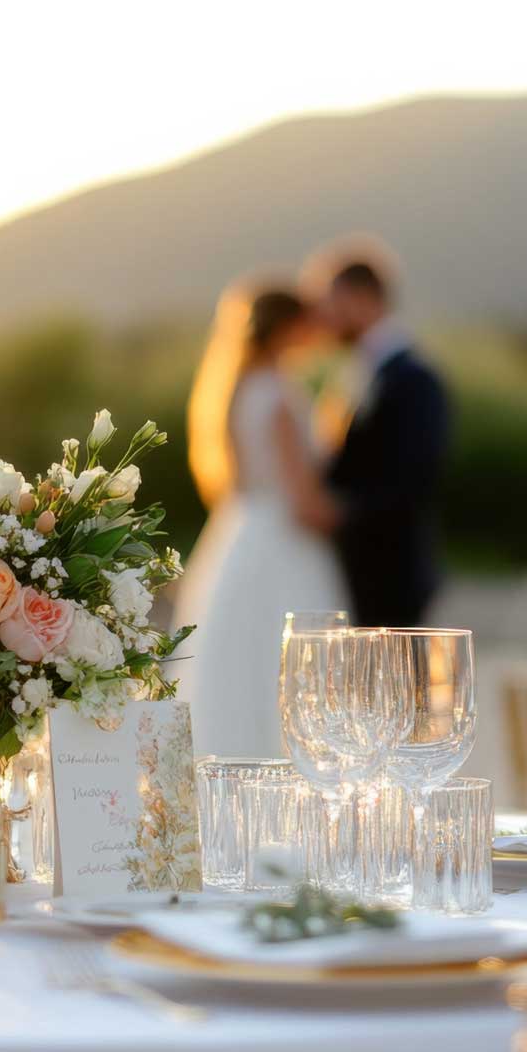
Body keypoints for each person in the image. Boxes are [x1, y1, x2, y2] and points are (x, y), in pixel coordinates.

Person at [173, 282, 347, 758]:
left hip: (238, 535)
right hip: (283, 544)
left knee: (235, 665)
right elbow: (305, 502)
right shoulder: (279, 396)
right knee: (292, 670)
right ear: (289, 328)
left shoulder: (236, 390)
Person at [313, 251, 450, 627]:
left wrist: (341, 514)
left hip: (393, 570)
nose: (324, 315)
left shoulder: (414, 378)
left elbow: (415, 476)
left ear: (363, 297)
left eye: (332, 302)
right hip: (357, 571)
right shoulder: (359, 369)